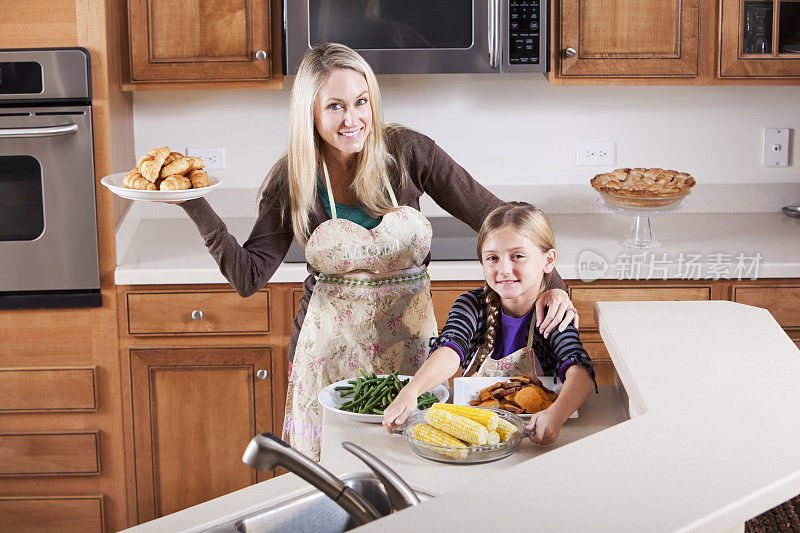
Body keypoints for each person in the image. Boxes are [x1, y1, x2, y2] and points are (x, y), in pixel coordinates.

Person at [178, 43, 578, 460]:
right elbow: (249, 276)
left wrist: (553, 285)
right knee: (334, 481)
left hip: (413, 353)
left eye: (361, 102)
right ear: (310, 113)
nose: (353, 120)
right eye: (335, 106)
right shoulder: (292, 178)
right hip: (328, 357)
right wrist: (193, 201)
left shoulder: (408, 153)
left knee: (411, 472)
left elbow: (500, 220)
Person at [382, 202, 596, 445]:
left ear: (548, 261)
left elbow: (581, 374)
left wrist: (555, 415)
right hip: (481, 434)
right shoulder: (472, 305)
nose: (504, 269)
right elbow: (450, 350)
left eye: (517, 256)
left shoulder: (553, 312)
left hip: (538, 429)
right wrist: (411, 391)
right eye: (493, 258)